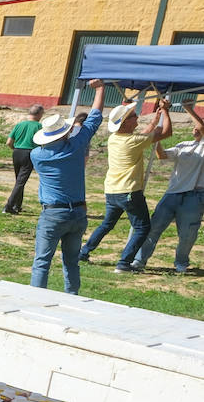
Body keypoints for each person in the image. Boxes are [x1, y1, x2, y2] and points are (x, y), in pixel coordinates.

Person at [28, 79, 107, 294]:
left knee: (42, 261)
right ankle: (72, 296)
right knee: (71, 261)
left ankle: (36, 300)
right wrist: (100, 89)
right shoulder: (76, 146)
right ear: (65, 132)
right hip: (78, 211)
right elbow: (94, 118)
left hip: (53, 213)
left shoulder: (37, 155)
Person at [80, 98, 172, 273]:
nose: (137, 118)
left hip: (112, 190)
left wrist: (155, 119)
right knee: (142, 227)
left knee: (107, 224)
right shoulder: (133, 141)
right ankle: (124, 263)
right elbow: (166, 133)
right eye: (134, 116)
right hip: (129, 191)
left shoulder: (116, 138)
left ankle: (84, 252)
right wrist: (166, 111)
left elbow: (143, 135)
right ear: (125, 123)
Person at [129, 99, 204, 273]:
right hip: (172, 194)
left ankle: (181, 263)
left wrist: (187, 109)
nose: (195, 128)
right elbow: (162, 155)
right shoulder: (183, 146)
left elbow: (201, 126)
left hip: (195, 196)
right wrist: (157, 138)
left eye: (197, 127)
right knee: (154, 227)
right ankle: (139, 261)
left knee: (187, 234)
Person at [3, 105, 44, 214]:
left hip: (16, 152)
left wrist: (15, 149)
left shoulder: (19, 125)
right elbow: (43, 143)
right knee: (21, 182)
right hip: (29, 153)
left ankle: (17, 205)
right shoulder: (39, 126)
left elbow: (9, 142)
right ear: (39, 114)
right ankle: (9, 206)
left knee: (19, 181)